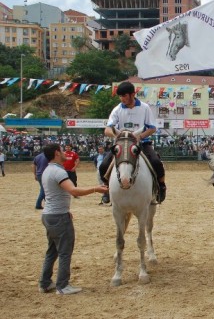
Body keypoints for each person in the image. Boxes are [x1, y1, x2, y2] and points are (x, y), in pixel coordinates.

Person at [38, 143, 108, 295]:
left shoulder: (47, 170)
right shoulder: (58, 172)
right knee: (64, 251)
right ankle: (63, 286)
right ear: (57, 153)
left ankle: (45, 283)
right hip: (58, 216)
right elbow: (73, 190)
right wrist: (95, 189)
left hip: (49, 215)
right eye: (62, 151)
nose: (65, 153)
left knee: (52, 251)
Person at [98, 81, 166, 203]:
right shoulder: (117, 109)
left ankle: (161, 187)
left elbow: (152, 128)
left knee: (156, 163)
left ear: (132, 94)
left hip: (142, 143)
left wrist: (140, 137)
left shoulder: (144, 108)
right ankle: (107, 189)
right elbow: (107, 129)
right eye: (120, 96)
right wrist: (118, 135)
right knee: (103, 166)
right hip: (122, 143)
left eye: (124, 96)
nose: (122, 99)